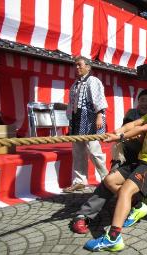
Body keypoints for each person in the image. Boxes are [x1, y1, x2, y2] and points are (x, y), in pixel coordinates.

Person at [83, 87, 147, 252]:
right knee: (109, 180)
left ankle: (113, 238)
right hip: (141, 161)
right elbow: (136, 123)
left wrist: (120, 136)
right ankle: (137, 205)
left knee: (125, 192)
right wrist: (120, 130)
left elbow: (142, 129)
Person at [63, 56, 108, 193]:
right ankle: (79, 180)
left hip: (90, 118)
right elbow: (71, 104)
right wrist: (70, 119)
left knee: (94, 150)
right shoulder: (75, 84)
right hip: (77, 119)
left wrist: (99, 116)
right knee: (77, 151)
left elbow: (98, 99)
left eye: (79, 65)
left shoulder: (93, 81)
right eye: (75, 65)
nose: (77, 67)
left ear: (88, 66)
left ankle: (106, 178)